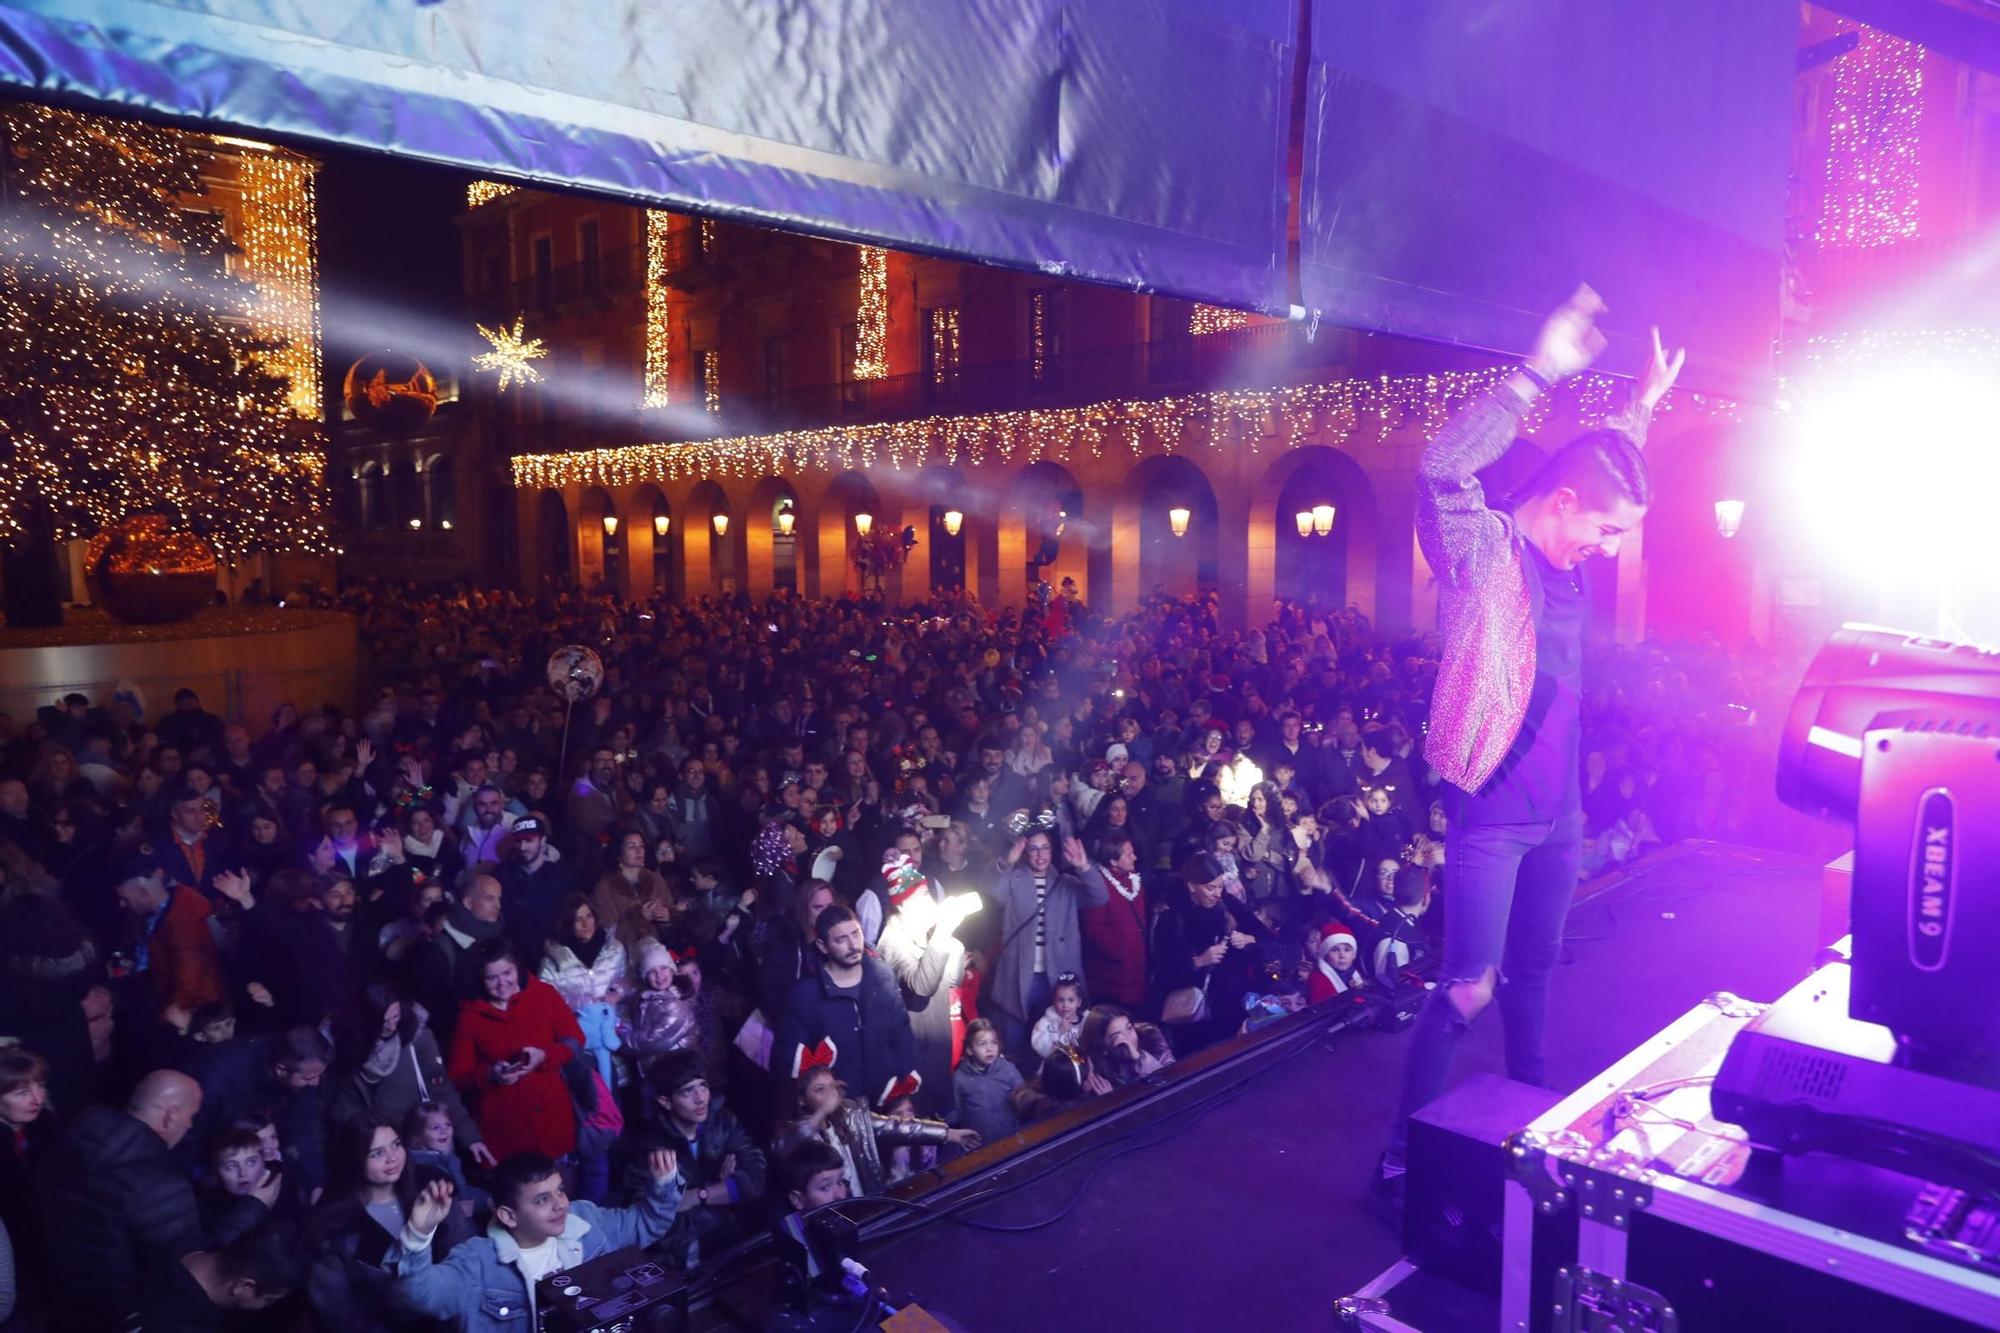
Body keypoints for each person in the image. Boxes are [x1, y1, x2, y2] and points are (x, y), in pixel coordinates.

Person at [1379, 286, 1683, 1213]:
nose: (1611, 546)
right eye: (1606, 529)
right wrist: (1539, 371)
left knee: (1534, 975)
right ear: (1560, 504)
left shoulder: (1573, 532)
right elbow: (1440, 468)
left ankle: (1537, 1132)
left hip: (1560, 814)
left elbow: (1601, 473)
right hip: (1495, 812)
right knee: (1466, 988)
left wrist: (1639, 411)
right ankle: (1400, 1158)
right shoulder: (1486, 552)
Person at [35, 1070, 275, 1332]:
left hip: (53, 1297)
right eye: (191, 1116)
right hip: (115, 1316)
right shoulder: (161, 1184)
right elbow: (189, 1271)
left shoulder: (76, 1134)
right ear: (171, 1115)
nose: (191, 1125)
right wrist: (253, 1207)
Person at [386, 1147, 684, 1333]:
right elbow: (417, 1297)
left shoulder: (587, 1222)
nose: (560, 1204)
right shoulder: (477, 1263)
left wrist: (663, 1183)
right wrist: (418, 1236)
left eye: (560, 1190)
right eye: (542, 1200)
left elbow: (648, 1223)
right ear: (509, 1216)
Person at [305, 1118, 472, 1333]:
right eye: (377, 1153)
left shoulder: (431, 1185)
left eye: (396, 1144)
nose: (392, 1157)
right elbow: (338, 1311)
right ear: (353, 1160)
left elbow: (463, 1256)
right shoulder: (333, 1227)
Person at [614, 1050, 766, 1269]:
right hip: (680, 1263)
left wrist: (696, 1196)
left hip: (732, 1247)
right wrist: (724, 1193)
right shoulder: (647, 1148)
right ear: (666, 1101)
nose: (700, 1098)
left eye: (703, 1085)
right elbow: (654, 1228)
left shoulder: (723, 1122)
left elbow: (756, 1180)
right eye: (687, 1092)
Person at [327, 984, 496, 1172]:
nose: (392, 1026)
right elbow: (343, 1111)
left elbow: (441, 1089)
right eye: (384, 1021)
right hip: (375, 1151)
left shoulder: (417, 1038)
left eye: (396, 1017)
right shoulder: (348, 1047)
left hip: (418, 1146)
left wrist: (470, 1137)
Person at [446, 938, 586, 1161]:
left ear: (517, 968)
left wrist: (544, 1056)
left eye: (507, 972)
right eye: (492, 977)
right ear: (480, 979)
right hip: (505, 1128)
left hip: (552, 1117)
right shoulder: (469, 1017)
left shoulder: (544, 995)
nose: (502, 983)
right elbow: (457, 1078)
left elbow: (575, 1040)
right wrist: (491, 1073)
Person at [773, 905, 915, 1112]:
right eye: (841, 939)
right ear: (823, 946)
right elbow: (793, 1066)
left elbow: (903, 1037)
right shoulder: (805, 995)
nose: (853, 945)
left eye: (855, 934)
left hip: (885, 1105)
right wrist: (821, 1109)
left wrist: (902, 1094)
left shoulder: (882, 976)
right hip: (838, 1114)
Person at [872, 848, 977, 1118]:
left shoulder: (926, 935)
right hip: (914, 1062)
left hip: (938, 1053)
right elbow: (921, 988)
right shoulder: (893, 940)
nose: (930, 903)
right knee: (922, 1133)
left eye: (928, 895)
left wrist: (952, 941)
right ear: (901, 904)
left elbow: (952, 983)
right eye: (921, 897)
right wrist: (943, 933)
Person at [986, 828, 1106, 1061]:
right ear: (1024, 852)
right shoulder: (1013, 878)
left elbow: (1099, 897)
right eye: (1033, 849)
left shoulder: (1066, 882)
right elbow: (990, 892)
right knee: (1015, 1043)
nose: (1040, 855)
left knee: (1055, 1043)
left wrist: (1084, 867)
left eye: (1045, 848)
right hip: (1018, 974)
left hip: (1057, 975)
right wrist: (1006, 862)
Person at [775, 1065, 977, 1200]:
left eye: (832, 1087)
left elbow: (897, 1126)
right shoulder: (790, 1131)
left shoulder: (851, 1114)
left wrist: (950, 1134)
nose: (830, 1095)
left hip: (864, 1201)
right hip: (828, 1211)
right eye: (820, 1090)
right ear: (802, 1099)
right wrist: (821, 1112)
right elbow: (790, 1143)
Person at [135, 1219, 303, 1333]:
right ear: (242, 1286)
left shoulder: (187, 1240)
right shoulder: (182, 1325)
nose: (268, 1306)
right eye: (269, 1299)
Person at [949, 1018, 1023, 1148]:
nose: (989, 1049)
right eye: (982, 1044)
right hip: (978, 1146)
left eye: (993, 1043)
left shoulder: (1008, 1069)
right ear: (969, 1050)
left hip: (1010, 1141)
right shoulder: (960, 1078)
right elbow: (954, 1115)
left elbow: (1024, 1098)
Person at [1030, 973, 1087, 1059]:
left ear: (1078, 1002)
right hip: (1057, 1065)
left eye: (1071, 1000)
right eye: (1061, 1000)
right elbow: (1039, 1047)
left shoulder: (1086, 1019)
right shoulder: (1046, 1022)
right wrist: (1059, 1031)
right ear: (1054, 1002)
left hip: (1081, 1064)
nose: (1065, 1005)